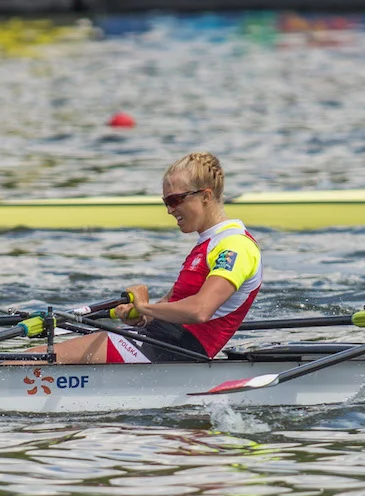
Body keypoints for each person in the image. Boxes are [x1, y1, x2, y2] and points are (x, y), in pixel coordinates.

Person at [53, 152, 262, 364]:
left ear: (206, 196)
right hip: (159, 341)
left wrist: (144, 306)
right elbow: (171, 305)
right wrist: (140, 317)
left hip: (178, 350)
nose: (170, 210)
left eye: (175, 200)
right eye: (166, 202)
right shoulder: (208, 244)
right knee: (40, 353)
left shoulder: (236, 245)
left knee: (40, 358)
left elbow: (200, 310)